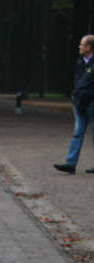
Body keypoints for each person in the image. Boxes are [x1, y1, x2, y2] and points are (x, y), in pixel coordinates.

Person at [54, 35, 94, 174]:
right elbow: (78, 81)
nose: (80, 47)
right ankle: (70, 164)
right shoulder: (80, 62)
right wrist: (75, 96)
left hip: (91, 103)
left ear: (89, 47)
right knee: (77, 133)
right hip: (79, 103)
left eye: (82, 45)